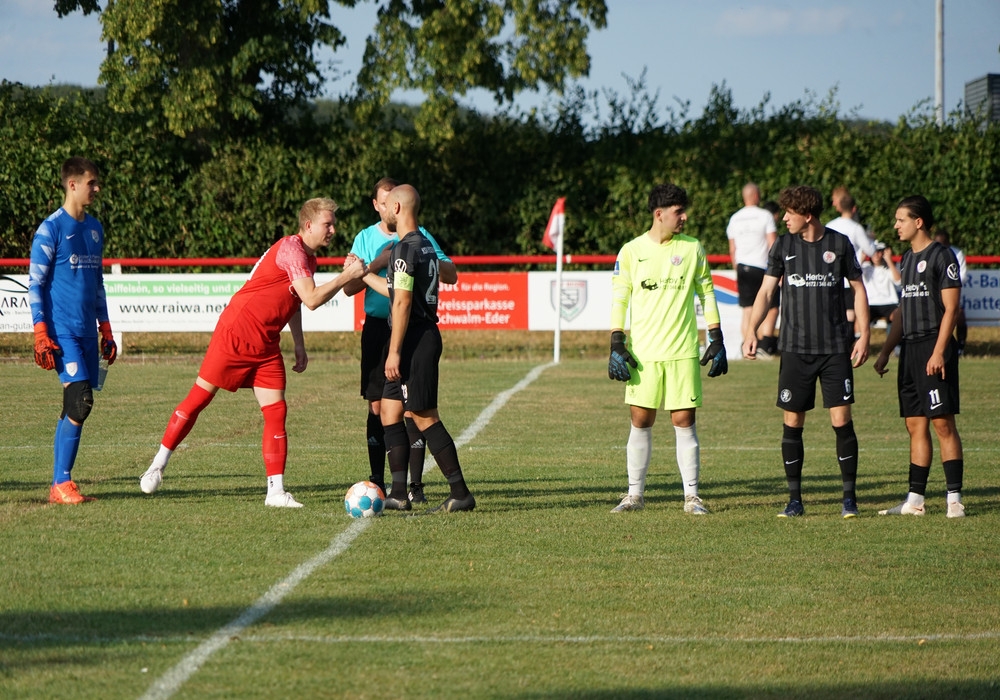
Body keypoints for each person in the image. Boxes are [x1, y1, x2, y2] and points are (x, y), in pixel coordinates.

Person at [138, 198, 367, 507]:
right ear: (309, 225)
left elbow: (296, 300)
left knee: (276, 412)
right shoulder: (292, 249)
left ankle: (275, 492)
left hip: (266, 343)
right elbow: (312, 299)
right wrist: (345, 277)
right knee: (199, 399)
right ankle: (157, 465)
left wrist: (298, 343)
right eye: (328, 224)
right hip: (236, 333)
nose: (333, 230)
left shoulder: (308, 257)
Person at [743, 185, 870, 518]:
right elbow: (766, 291)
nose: (784, 218)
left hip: (834, 349)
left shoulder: (839, 244)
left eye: (790, 213)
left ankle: (849, 500)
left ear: (808, 215)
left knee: (841, 420)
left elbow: (858, 289)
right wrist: (751, 329)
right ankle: (795, 500)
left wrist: (864, 335)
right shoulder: (783, 246)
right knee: (792, 421)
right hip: (795, 350)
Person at [607, 183, 728, 515]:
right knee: (640, 420)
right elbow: (620, 297)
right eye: (679, 212)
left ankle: (692, 498)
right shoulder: (631, 251)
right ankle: (634, 496)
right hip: (643, 354)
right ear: (659, 214)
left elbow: (707, 292)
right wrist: (616, 340)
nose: (684, 217)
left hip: (682, 351)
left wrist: (716, 336)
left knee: (684, 420)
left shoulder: (692, 248)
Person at [358, 184, 475, 513]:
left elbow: (403, 302)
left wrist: (394, 351)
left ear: (396, 208)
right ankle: (398, 493)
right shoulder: (423, 245)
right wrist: (363, 274)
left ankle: (460, 492)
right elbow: (396, 290)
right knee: (390, 411)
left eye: (387, 206)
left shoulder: (404, 249)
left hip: (414, 340)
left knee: (424, 417)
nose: (383, 211)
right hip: (417, 336)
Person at [29, 156, 118, 504]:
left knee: (74, 404)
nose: (97, 188)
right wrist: (41, 332)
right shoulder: (50, 229)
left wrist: (105, 328)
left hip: (86, 332)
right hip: (61, 332)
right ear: (72, 184)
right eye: (91, 182)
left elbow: (97, 284)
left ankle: (59, 485)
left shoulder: (95, 229)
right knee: (81, 400)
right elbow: (35, 284)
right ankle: (62, 483)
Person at [874, 196, 965, 518]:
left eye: (900, 220)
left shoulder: (942, 256)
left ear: (918, 222)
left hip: (934, 346)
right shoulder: (907, 259)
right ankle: (915, 501)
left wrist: (939, 351)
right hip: (910, 351)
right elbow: (902, 312)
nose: (896, 225)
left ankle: (954, 499)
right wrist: (886, 351)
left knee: (942, 423)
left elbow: (952, 309)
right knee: (914, 424)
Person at [727, 183, 777, 356]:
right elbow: (772, 244)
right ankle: (762, 345)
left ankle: (748, 346)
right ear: (756, 196)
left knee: (748, 309)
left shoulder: (735, 218)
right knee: (769, 306)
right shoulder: (765, 215)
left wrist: (737, 268)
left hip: (742, 266)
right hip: (762, 266)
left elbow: (732, 249)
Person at [826, 193, 875, 333]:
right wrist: (871, 239)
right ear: (854, 209)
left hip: (830, 276)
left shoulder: (830, 225)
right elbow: (870, 250)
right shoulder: (856, 228)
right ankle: (847, 341)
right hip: (849, 277)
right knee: (849, 313)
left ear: (838, 207)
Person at [932, 229, 969, 356]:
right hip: (934, 293)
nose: (939, 246)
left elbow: (962, 276)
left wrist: (946, 283)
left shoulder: (957, 253)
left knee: (959, 316)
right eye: (937, 243)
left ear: (948, 242)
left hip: (951, 291)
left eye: (942, 243)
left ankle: (960, 347)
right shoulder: (931, 253)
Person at [862, 242, 901, 330]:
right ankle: (859, 337)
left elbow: (898, 281)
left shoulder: (889, 268)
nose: (876, 255)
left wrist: (889, 260)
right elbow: (853, 274)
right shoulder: (866, 267)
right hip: (870, 303)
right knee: (860, 317)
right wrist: (862, 257)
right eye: (873, 252)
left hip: (889, 302)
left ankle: (893, 338)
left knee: (898, 316)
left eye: (879, 252)